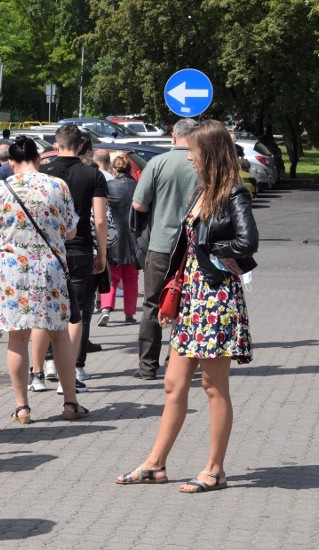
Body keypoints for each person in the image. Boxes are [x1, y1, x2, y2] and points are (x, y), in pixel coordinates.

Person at [116, 120, 257, 493]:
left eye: (194, 151)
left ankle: (215, 469)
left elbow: (247, 242)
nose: (190, 157)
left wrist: (213, 254)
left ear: (209, 153)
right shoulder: (201, 191)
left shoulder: (232, 193)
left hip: (216, 298)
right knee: (173, 383)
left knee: (213, 386)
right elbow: (184, 249)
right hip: (193, 298)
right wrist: (173, 296)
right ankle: (155, 464)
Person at [0, 136, 89, 423]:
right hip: (50, 269)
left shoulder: (0, 189)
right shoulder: (58, 186)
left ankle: (22, 407)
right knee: (59, 335)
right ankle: (70, 403)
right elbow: (70, 233)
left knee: (17, 337)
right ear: (39, 159)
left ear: (11, 162)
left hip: (13, 272)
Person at [31, 124, 107, 393]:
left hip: (46, 250)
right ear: (82, 146)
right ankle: (70, 378)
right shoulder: (93, 174)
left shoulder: (43, 172)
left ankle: (37, 375)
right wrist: (103, 255)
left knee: (44, 313)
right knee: (76, 315)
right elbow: (99, 219)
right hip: (80, 249)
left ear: (56, 142)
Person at [132, 118, 199, 380]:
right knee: (187, 305)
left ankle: (147, 367)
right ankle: (177, 363)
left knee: (152, 304)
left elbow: (139, 205)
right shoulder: (203, 165)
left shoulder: (157, 163)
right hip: (193, 248)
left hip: (160, 246)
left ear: (174, 136)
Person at [97, 153, 140, 326]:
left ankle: (106, 307)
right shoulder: (137, 186)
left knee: (112, 277)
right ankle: (129, 314)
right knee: (131, 279)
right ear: (129, 169)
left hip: (113, 238)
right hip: (134, 238)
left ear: (114, 170)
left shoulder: (108, 186)